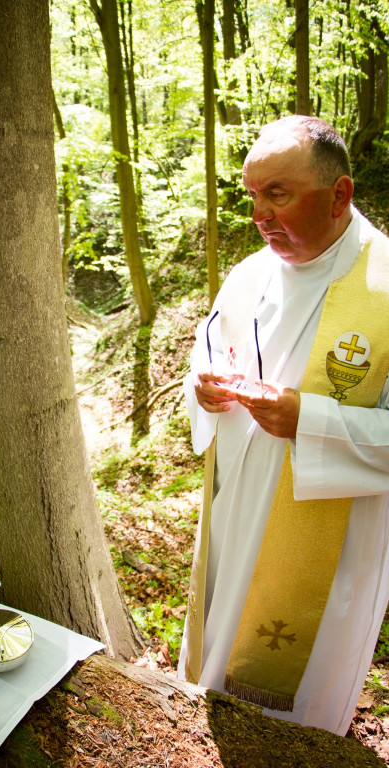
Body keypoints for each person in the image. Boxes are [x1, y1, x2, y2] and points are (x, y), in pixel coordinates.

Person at [179, 115, 389, 736]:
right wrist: (205, 384)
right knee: (219, 663)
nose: (259, 214)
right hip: (238, 507)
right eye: (252, 194)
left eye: (279, 194)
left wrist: (311, 420)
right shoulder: (249, 274)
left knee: (294, 713)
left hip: (329, 531)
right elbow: (210, 347)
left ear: (340, 194)